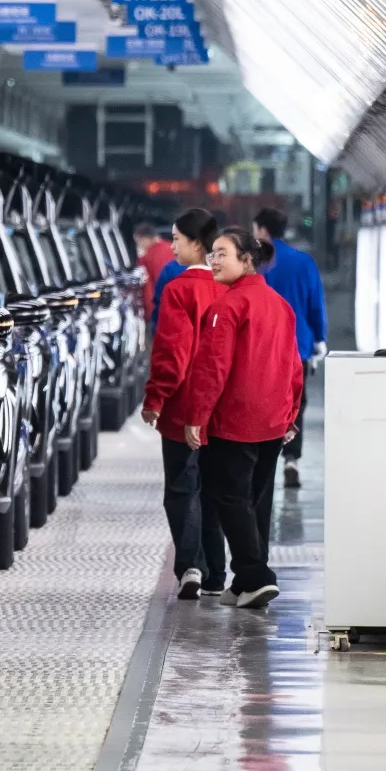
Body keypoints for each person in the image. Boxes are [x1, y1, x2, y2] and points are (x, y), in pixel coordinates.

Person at [180, 227, 304, 610]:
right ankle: (244, 581)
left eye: (222, 254)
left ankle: (257, 575)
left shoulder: (227, 307)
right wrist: (291, 414)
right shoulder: (279, 305)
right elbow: (293, 365)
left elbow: (213, 369)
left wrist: (196, 418)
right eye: (213, 254)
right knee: (256, 501)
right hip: (272, 422)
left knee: (229, 498)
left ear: (246, 260)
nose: (213, 261)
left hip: (237, 421)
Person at [141, 208, 226, 599]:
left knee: (181, 487)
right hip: (220, 410)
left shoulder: (177, 289)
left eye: (176, 238)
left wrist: (155, 398)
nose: (171, 245)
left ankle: (190, 565)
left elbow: (171, 355)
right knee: (213, 487)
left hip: (181, 408)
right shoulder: (228, 289)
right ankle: (215, 573)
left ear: (195, 244)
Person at [253, 207, 329, 489]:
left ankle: (264, 458)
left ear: (262, 230)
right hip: (298, 347)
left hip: (260, 349)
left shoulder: (255, 261)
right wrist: (319, 338)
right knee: (295, 405)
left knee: (262, 404)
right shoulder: (304, 262)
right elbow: (315, 304)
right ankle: (291, 459)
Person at [134, 221, 174, 315]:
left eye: (138, 242)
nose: (139, 245)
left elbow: (148, 285)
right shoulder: (172, 248)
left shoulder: (148, 257)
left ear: (144, 239)